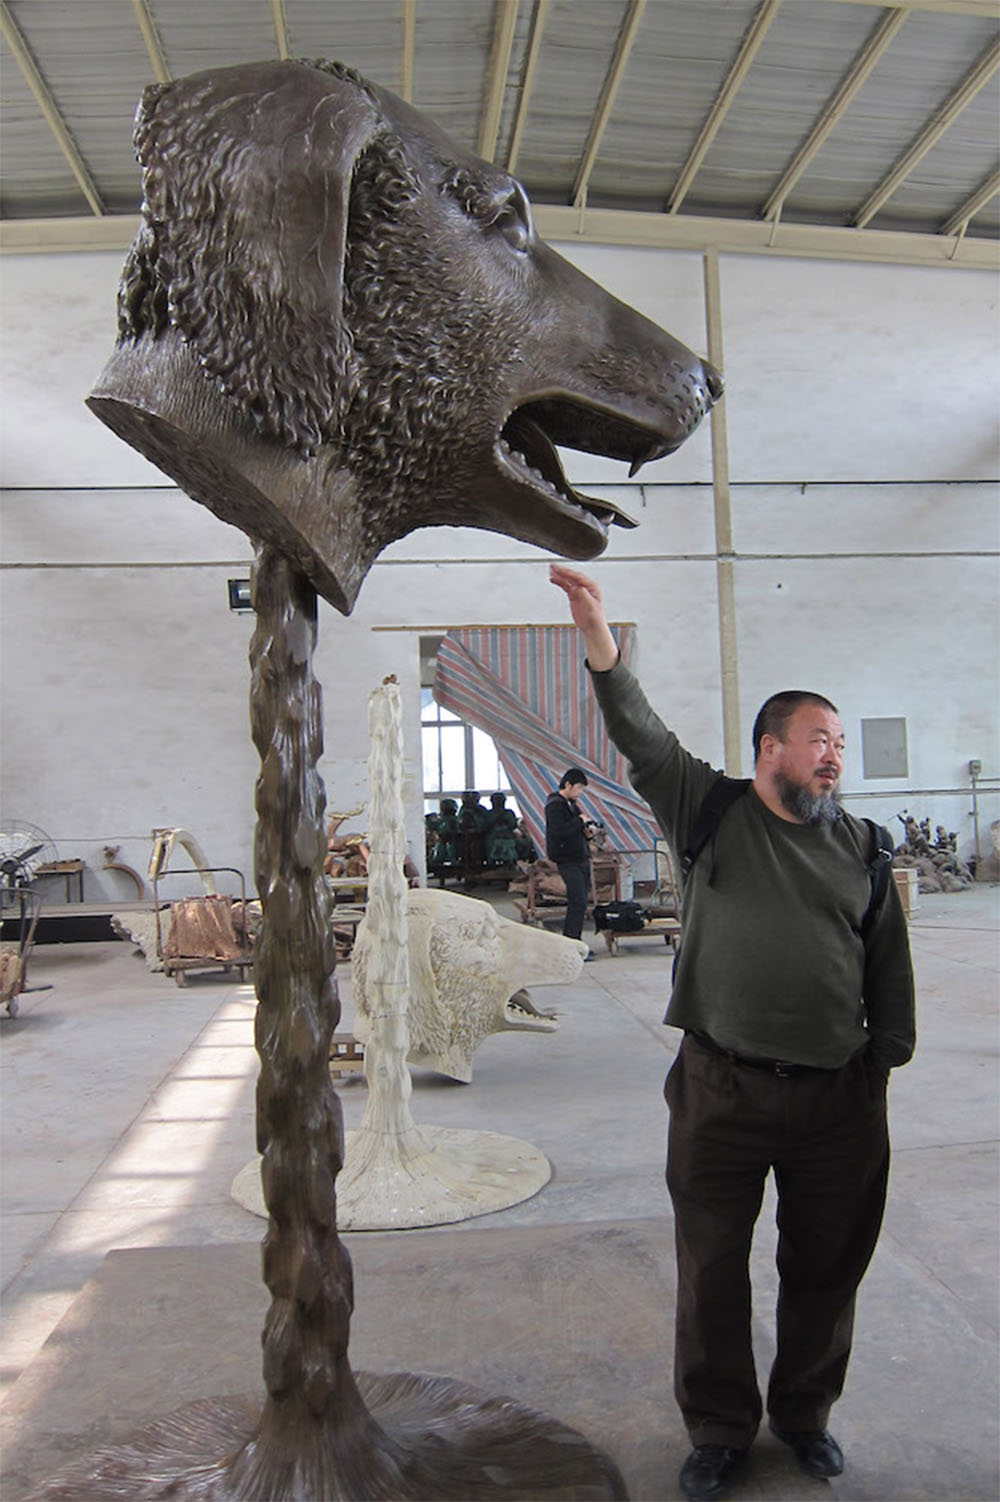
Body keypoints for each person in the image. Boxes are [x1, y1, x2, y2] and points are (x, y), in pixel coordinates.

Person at [550, 563, 915, 1502]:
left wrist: (880, 1065)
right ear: (769, 749)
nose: (834, 755)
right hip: (721, 1087)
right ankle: (719, 1427)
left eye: (838, 742)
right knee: (712, 1268)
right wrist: (597, 629)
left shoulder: (863, 849)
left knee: (827, 1268)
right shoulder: (707, 810)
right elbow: (636, 727)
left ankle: (804, 1417)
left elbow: (889, 971)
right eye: (817, 740)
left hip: (838, 1096)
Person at [544, 766, 592, 946]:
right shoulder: (555, 805)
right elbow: (559, 832)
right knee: (577, 900)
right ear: (568, 784)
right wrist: (579, 821)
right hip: (567, 859)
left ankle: (574, 941)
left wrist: (588, 832)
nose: (580, 793)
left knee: (581, 901)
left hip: (580, 857)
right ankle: (571, 943)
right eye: (579, 788)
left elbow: (578, 827)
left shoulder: (572, 806)